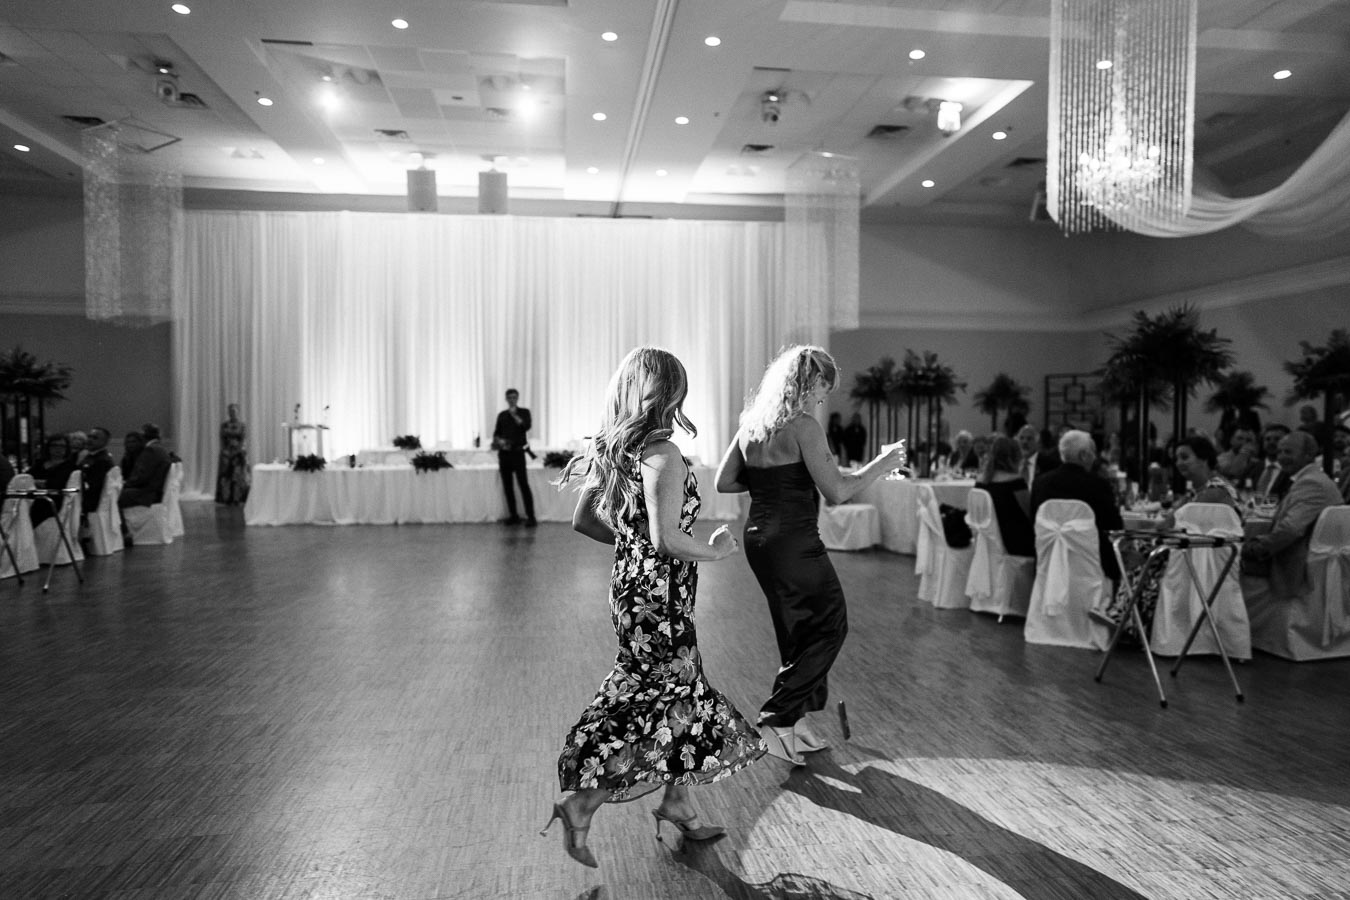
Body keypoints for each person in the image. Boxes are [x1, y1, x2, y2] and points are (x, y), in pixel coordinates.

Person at [546, 347, 763, 868]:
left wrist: (634, 550)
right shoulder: (663, 454)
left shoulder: (620, 449)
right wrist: (713, 549)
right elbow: (668, 539)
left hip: (632, 594)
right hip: (661, 602)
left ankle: (678, 802)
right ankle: (582, 802)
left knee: (674, 694)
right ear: (673, 394)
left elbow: (587, 522)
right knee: (658, 697)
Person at [716, 345, 906, 765]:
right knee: (830, 624)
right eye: (823, 386)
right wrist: (882, 462)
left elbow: (725, 483)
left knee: (797, 628)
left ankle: (796, 718)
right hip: (794, 540)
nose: (824, 396)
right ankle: (777, 718)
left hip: (759, 539)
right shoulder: (803, 427)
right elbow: (837, 492)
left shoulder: (752, 424)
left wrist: (775, 481)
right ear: (805, 382)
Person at [1096, 435, 1241, 637]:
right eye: (1177, 458)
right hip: (1191, 549)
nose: (1179, 463)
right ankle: (1127, 618)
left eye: (1185, 457)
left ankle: (1127, 619)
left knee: (1145, 554)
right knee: (1138, 549)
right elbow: (1171, 522)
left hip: (1209, 554)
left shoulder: (1215, 491)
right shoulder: (1199, 490)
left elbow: (1173, 524)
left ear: (1204, 458)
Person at [1241, 430, 1343, 598]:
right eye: (1280, 451)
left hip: (1296, 571)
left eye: (1288, 452)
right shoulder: (1310, 479)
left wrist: (1252, 548)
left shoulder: (1311, 483)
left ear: (1308, 455)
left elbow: (1290, 530)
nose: (1281, 457)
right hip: (1308, 564)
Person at [1030, 429, 1123, 585]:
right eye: (1093, 453)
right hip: (1091, 564)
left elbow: (1034, 521)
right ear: (1083, 455)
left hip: (1049, 561)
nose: (1095, 458)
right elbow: (1114, 527)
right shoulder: (1098, 485)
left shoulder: (1040, 483)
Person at [975, 435, 1034, 557]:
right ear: (1016, 456)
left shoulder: (980, 482)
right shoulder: (1015, 483)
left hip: (988, 542)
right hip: (1014, 544)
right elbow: (1030, 514)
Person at [492, 388, 536, 526]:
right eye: (509, 397)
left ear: (517, 398)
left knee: (523, 485)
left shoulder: (524, 412)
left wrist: (515, 416)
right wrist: (498, 441)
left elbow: (526, 426)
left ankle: (531, 517)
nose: (512, 400)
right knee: (508, 486)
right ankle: (513, 515)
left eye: (514, 397)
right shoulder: (502, 415)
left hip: (518, 453)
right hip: (504, 454)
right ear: (506, 399)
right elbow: (496, 433)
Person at [28, 434, 79, 528]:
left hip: (54, 503)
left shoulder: (70, 467)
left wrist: (38, 483)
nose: (58, 449)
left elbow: (57, 484)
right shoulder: (40, 464)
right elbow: (27, 478)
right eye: (55, 445)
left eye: (62, 446)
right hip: (34, 499)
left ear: (67, 449)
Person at [119, 423, 172, 510]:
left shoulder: (151, 449)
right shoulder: (159, 448)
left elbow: (142, 476)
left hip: (148, 494)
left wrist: (123, 484)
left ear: (143, 436)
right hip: (154, 491)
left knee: (115, 495)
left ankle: (121, 523)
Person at [215, 403, 250, 505]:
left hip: (238, 454)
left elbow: (243, 440)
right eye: (230, 411)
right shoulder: (224, 425)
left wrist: (237, 452)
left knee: (237, 476)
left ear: (238, 412)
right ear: (228, 413)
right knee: (226, 476)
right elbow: (222, 440)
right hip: (226, 453)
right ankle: (226, 498)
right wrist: (225, 452)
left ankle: (237, 498)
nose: (232, 413)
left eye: (234, 411)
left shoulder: (242, 425)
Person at [79, 426, 116, 513]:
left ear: (105, 442)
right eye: (89, 436)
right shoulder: (88, 456)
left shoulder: (103, 460)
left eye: (95, 438)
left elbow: (95, 486)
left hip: (94, 506)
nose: (90, 440)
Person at [1253, 424, 1292, 501]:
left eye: (1277, 439)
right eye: (1267, 439)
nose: (1271, 442)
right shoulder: (1253, 467)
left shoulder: (1292, 471)